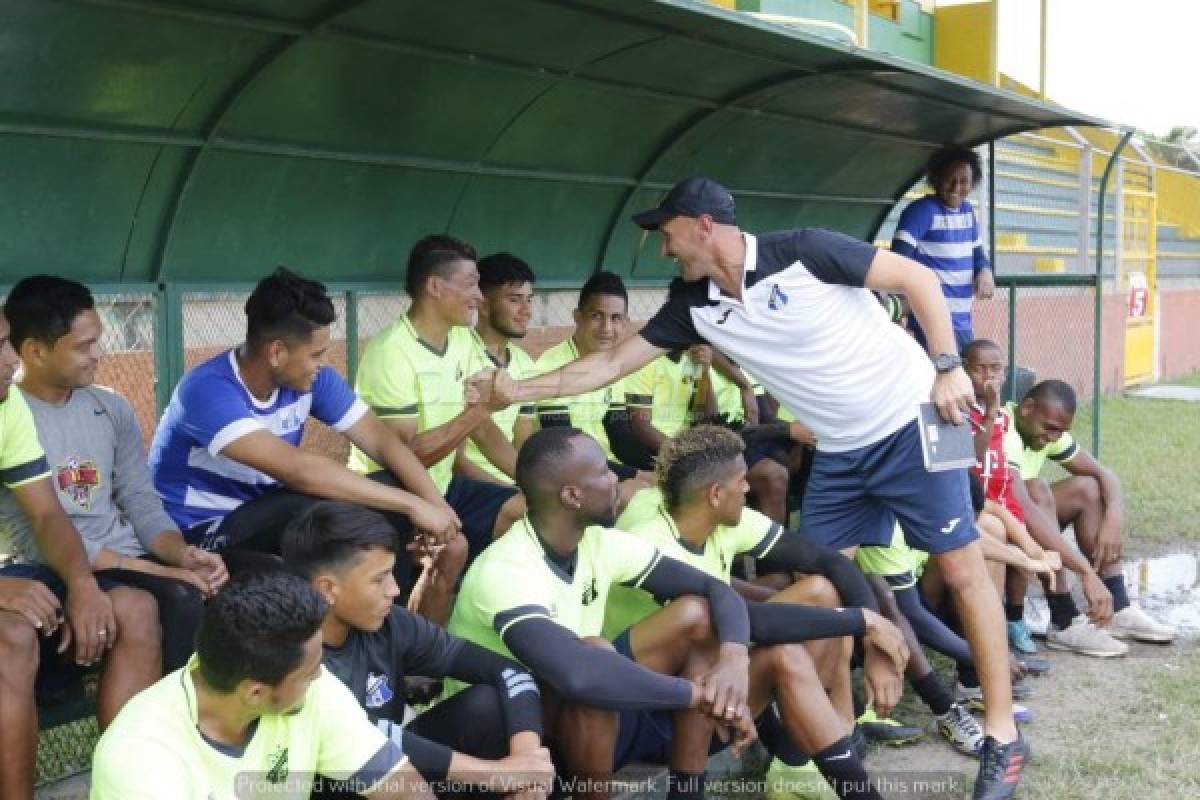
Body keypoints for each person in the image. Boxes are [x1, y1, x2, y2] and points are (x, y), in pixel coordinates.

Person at [479, 176, 1028, 800]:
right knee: (819, 591)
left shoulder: (805, 250)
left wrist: (948, 365)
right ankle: (821, 745)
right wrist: (518, 390)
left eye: (668, 233)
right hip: (841, 448)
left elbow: (919, 280)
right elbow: (608, 364)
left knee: (961, 569)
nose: (665, 249)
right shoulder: (694, 304)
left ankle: (1002, 737)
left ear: (703, 224)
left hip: (919, 413)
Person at [447, 427, 757, 800]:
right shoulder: (506, 569)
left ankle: (687, 793)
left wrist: (734, 660)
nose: (617, 480)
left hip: (567, 724)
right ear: (572, 496)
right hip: (496, 739)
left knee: (696, 614)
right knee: (594, 660)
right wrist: (702, 696)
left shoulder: (598, 542)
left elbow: (715, 589)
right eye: (603, 473)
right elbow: (578, 675)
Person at [605, 426, 907, 800]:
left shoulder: (703, 512)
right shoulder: (652, 542)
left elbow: (825, 560)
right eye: (742, 482)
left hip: (707, 694)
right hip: (647, 717)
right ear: (715, 494)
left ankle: (796, 764)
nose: (749, 490)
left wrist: (875, 644)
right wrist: (865, 622)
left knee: (817, 597)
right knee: (712, 646)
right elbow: (753, 622)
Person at [148, 268, 458, 619]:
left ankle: (389, 633)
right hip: (200, 531)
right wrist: (412, 506)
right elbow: (299, 471)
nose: (323, 365)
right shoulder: (207, 390)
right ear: (277, 352)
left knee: (389, 487)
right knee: (314, 509)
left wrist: (436, 509)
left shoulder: (311, 380)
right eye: (316, 354)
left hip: (269, 513)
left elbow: (383, 442)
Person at [91, 570, 523, 799]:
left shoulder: (313, 690)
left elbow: (400, 786)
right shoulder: (140, 757)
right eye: (311, 670)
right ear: (255, 692)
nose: (323, 674)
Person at [4, 275, 228, 671]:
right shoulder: (11, 411)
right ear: (35, 352)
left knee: (216, 587)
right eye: (84, 346)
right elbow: (33, 530)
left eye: (98, 340)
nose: (98, 354)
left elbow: (141, 499)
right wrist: (155, 570)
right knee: (174, 599)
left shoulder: (111, 407)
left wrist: (181, 554)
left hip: (124, 557)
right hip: (58, 565)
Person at [280, 502, 552, 797]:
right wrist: (498, 774)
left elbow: (507, 670)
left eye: (392, 573)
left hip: (406, 771)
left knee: (487, 705)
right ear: (327, 589)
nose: (394, 590)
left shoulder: (389, 622)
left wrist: (526, 760)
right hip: (348, 787)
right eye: (378, 578)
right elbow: (367, 740)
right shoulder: (293, 659)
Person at [0, 309, 159, 800]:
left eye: (7, 341)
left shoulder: (8, 408)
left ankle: (126, 789)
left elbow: (47, 515)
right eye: (1, 347)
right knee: (9, 637)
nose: (9, 360)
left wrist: (84, 586)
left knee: (135, 606)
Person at [351, 236, 526, 574]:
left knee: (532, 511)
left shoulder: (461, 339)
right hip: (389, 495)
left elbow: (481, 429)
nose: (479, 296)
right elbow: (404, 457)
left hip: (444, 487)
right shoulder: (391, 352)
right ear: (434, 286)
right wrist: (480, 410)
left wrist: (533, 482)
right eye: (471, 284)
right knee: (438, 565)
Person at [1008, 380, 1176, 650]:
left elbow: (1104, 474)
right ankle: (1063, 620)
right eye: (1050, 429)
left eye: (1059, 432)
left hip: (1024, 524)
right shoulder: (1005, 430)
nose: (1053, 438)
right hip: (995, 529)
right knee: (1037, 491)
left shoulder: (1046, 429)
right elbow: (1023, 507)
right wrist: (1085, 572)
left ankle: (1118, 606)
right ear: (1027, 408)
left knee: (1089, 487)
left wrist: (1114, 518)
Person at [963, 339, 1064, 654]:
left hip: (998, 494)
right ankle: (989, 641)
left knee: (1023, 552)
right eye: (980, 369)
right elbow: (973, 459)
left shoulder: (1006, 420)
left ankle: (1014, 619)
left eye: (996, 369)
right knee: (1004, 539)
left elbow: (1001, 462)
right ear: (964, 370)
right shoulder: (961, 410)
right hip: (974, 501)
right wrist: (990, 413)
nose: (989, 377)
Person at [528, 272, 644, 483]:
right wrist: (637, 476)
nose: (606, 328)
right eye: (597, 316)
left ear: (626, 323)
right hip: (564, 474)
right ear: (578, 317)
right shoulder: (552, 366)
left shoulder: (614, 365)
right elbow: (566, 449)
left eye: (615, 318)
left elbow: (620, 437)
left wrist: (659, 466)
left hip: (603, 468)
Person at [891, 145, 993, 353]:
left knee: (961, 377)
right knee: (947, 379)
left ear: (973, 182)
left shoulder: (967, 211)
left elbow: (978, 254)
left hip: (962, 319)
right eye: (950, 179)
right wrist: (902, 305)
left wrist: (985, 270)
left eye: (963, 181)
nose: (956, 188)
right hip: (932, 319)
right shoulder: (921, 211)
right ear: (936, 179)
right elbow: (897, 260)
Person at [464, 252, 541, 483]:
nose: (526, 310)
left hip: (510, 481)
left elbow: (523, 442)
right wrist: (512, 491)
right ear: (484, 305)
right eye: (515, 299)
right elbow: (455, 462)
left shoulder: (525, 363)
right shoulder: (459, 354)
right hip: (466, 486)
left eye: (529, 299)